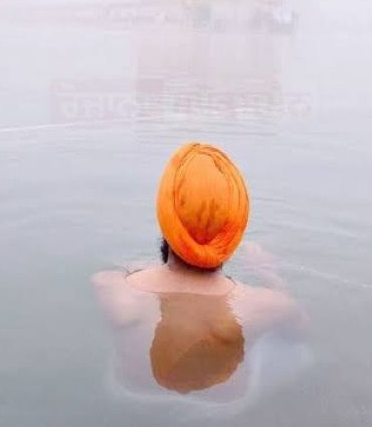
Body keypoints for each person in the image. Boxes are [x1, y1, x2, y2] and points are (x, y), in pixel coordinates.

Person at [92, 142, 308, 402]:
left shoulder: (113, 288)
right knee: (299, 355)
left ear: (164, 216)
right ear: (235, 230)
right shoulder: (266, 305)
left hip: (133, 396)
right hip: (225, 409)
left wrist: (142, 268)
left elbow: (128, 273)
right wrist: (269, 273)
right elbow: (300, 333)